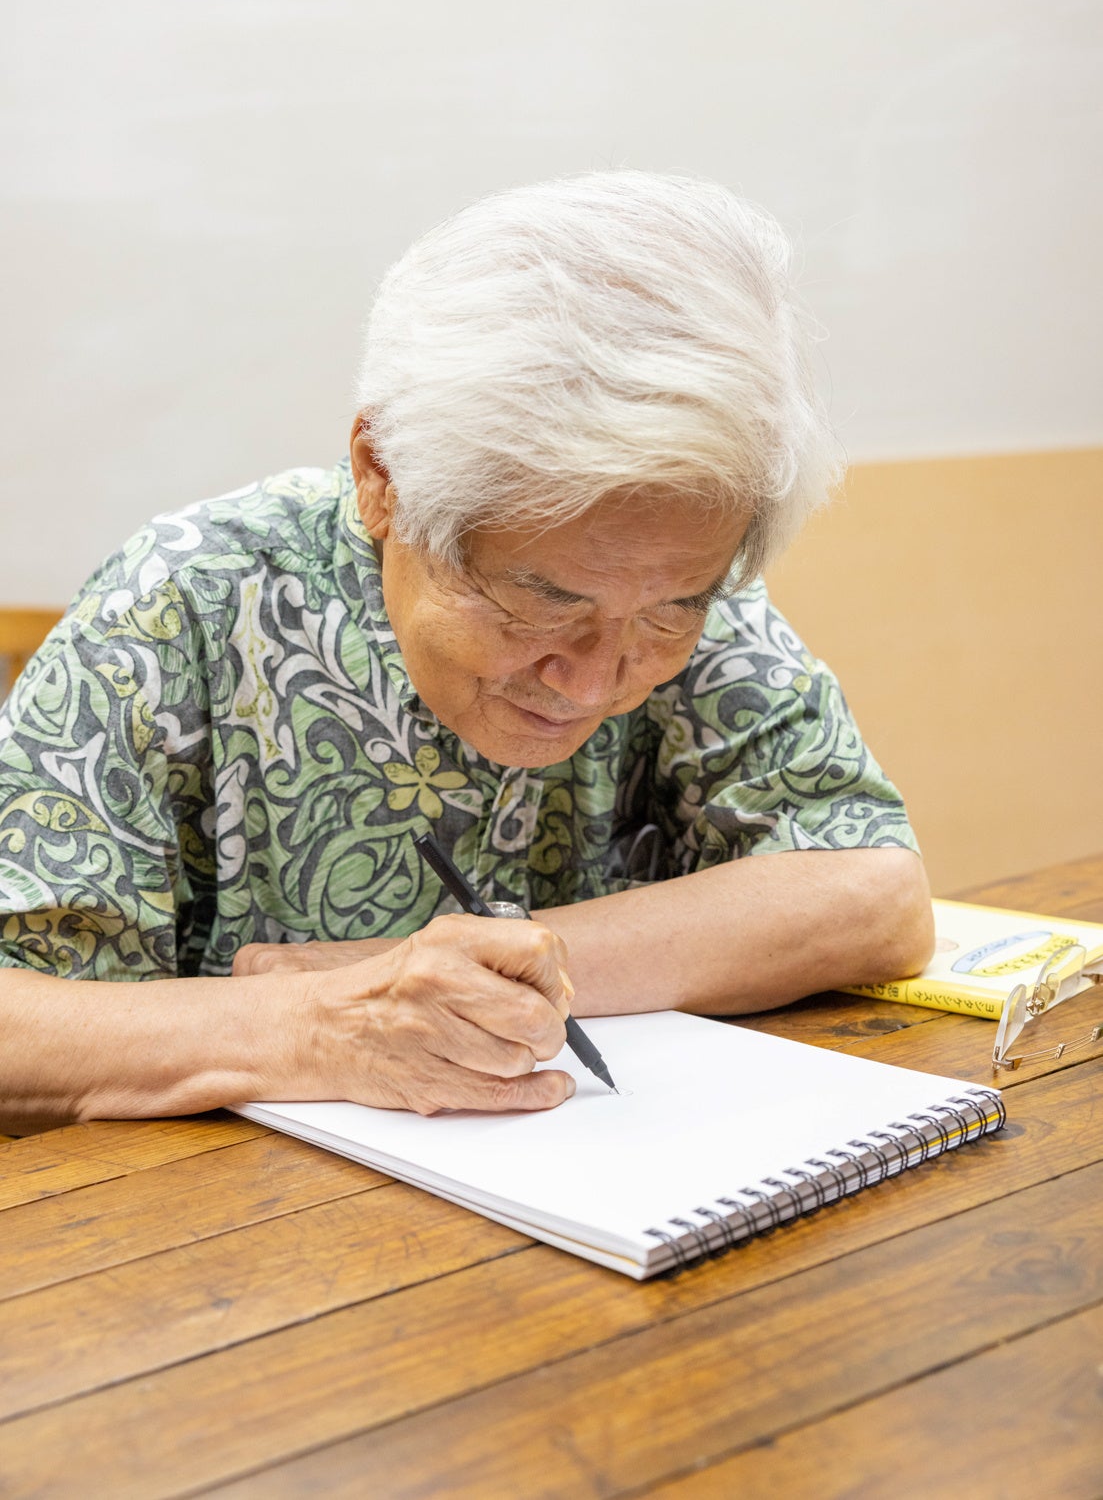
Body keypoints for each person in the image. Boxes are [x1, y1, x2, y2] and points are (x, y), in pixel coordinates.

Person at [0, 171, 931, 1133]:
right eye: (538, 600)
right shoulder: (183, 603)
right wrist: (315, 1024)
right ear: (381, 481)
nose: (595, 676)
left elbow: (872, 892)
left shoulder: (663, 577)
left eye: (671, 609)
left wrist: (477, 964)